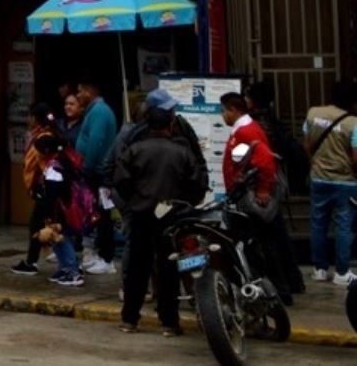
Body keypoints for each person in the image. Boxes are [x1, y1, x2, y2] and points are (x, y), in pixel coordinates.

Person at [113, 91, 206, 334]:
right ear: (170, 122)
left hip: (141, 214)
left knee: (137, 267)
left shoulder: (134, 147)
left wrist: (136, 199)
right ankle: (169, 322)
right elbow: (196, 183)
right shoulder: (182, 151)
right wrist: (184, 203)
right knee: (169, 269)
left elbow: (120, 180)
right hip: (171, 217)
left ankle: (129, 318)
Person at [221, 90, 295, 303]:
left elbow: (265, 161)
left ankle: (278, 291)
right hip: (243, 197)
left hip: (252, 199)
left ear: (233, 110)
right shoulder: (242, 129)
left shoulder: (247, 131)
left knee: (262, 245)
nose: (223, 116)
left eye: (224, 111)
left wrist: (263, 189)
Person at [303, 81, 357, 286]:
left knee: (318, 224)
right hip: (346, 181)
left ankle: (319, 269)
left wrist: (315, 163)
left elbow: (306, 144)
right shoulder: (353, 122)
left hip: (318, 178)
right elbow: (356, 157)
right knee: (344, 226)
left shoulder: (313, 113)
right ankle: (342, 273)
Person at [73, 79, 119, 274]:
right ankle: (102, 254)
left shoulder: (99, 112)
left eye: (80, 90)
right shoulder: (95, 110)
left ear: (90, 90)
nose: (78, 96)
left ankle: (107, 258)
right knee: (99, 214)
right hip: (99, 174)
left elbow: (96, 142)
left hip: (100, 175)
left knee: (103, 214)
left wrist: (87, 167)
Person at [31, 131, 88, 289]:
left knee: (63, 239)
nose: (35, 153)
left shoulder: (54, 170)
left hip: (62, 211)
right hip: (64, 209)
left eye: (37, 150)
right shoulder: (59, 163)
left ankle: (73, 272)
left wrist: (49, 216)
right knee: (57, 240)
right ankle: (64, 269)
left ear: (46, 151)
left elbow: (51, 196)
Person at [11, 104, 63, 275]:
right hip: (44, 187)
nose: (28, 120)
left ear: (36, 118)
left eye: (31, 116)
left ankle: (65, 265)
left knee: (45, 226)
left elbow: (39, 165)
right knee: (43, 225)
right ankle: (36, 260)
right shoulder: (42, 136)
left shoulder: (44, 139)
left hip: (46, 188)